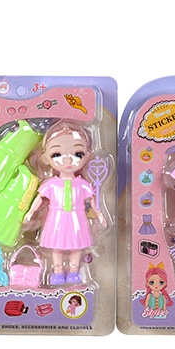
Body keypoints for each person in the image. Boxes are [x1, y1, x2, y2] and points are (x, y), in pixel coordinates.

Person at [24, 121, 105, 286]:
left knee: (77, 246)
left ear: (87, 156)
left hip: (77, 218)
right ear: (45, 158)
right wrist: (30, 212)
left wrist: (100, 215)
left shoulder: (82, 184)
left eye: (77, 154)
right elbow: (40, 198)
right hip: (56, 218)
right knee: (56, 246)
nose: (67, 159)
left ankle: (74, 271)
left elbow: (92, 200)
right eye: (57, 154)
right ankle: (58, 271)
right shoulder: (51, 184)